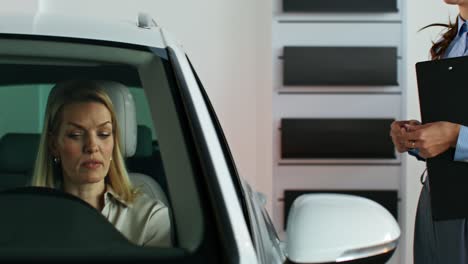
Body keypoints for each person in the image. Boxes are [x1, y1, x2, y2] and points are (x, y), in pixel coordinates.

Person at [31, 80, 172, 248]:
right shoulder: (27, 217)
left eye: (103, 134)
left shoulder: (148, 217)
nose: (92, 147)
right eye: (76, 134)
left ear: (114, 142)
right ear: (54, 145)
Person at [390, 1, 468, 263]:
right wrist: (418, 137)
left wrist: (455, 137)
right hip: (438, 205)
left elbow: (455, 134)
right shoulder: (452, 42)